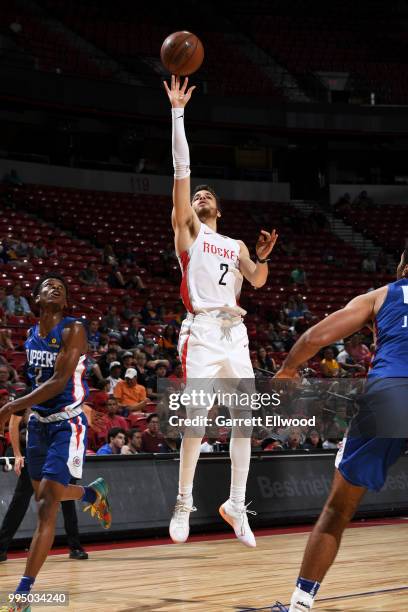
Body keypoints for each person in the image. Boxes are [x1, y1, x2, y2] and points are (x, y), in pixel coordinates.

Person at [163, 75, 278, 547]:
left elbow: (257, 280)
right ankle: (183, 501)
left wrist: (265, 257)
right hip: (203, 333)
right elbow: (181, 169)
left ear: (220, 208)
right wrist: (177, 112)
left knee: (244, 420)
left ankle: (235, 503)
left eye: (208, 195)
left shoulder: (233, 242)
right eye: (196, 195)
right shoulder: (188, 232)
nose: (200, 195)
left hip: (236, 335)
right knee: (195, 419)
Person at [270, 250, 408, 611]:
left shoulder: (382, 295)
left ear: (403, 269)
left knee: (338, 510)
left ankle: (300, 604)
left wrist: (287, 369)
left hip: (391, 395)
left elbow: (317, 337)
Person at [0, 274, 112, 605]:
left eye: (61, 289)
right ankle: (92, 492)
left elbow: (59, 381)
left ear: (64, 303)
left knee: (46, 505)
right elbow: (34, 385)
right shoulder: (31, 337)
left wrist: (9, 406)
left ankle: (23, 593)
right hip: (38, 425)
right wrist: (19, 411)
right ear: (36, 299)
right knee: (42, 494)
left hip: (67, 424)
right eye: (48, 286)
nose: (55, 289)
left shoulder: (73, 329)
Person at [0, 412, 91, 563]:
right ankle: (2, 547)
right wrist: (17, 454)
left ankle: (75, 547)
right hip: (35, 454)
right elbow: (14, 422)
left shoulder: (62, 395)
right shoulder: (30, 395)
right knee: (20, 501)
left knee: (66, 500)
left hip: (60, 452)